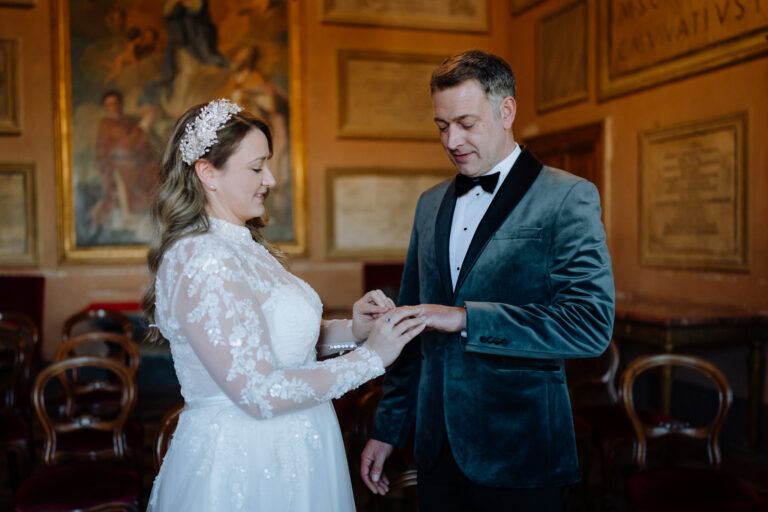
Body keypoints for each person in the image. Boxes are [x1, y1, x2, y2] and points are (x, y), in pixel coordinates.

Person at [360, 49, 615, 511]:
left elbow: (589, 325)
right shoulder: (429, 204)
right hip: (436, 453)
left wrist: (463, 319)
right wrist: (388, 429)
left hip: (522, 453)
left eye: (466, 123)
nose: (452, 140)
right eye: (442, 126)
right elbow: (409, 328)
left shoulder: (568, 197)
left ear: (506, 111)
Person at [142, 98, 426, 511]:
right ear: (208, 174)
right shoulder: (204, 258)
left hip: (300, 444)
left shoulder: (246, 246)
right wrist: (371, 359)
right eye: (256, 167)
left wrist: (356, 331)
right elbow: (258, 391)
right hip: (248, 461)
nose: (270, 179)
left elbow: (279, 344)